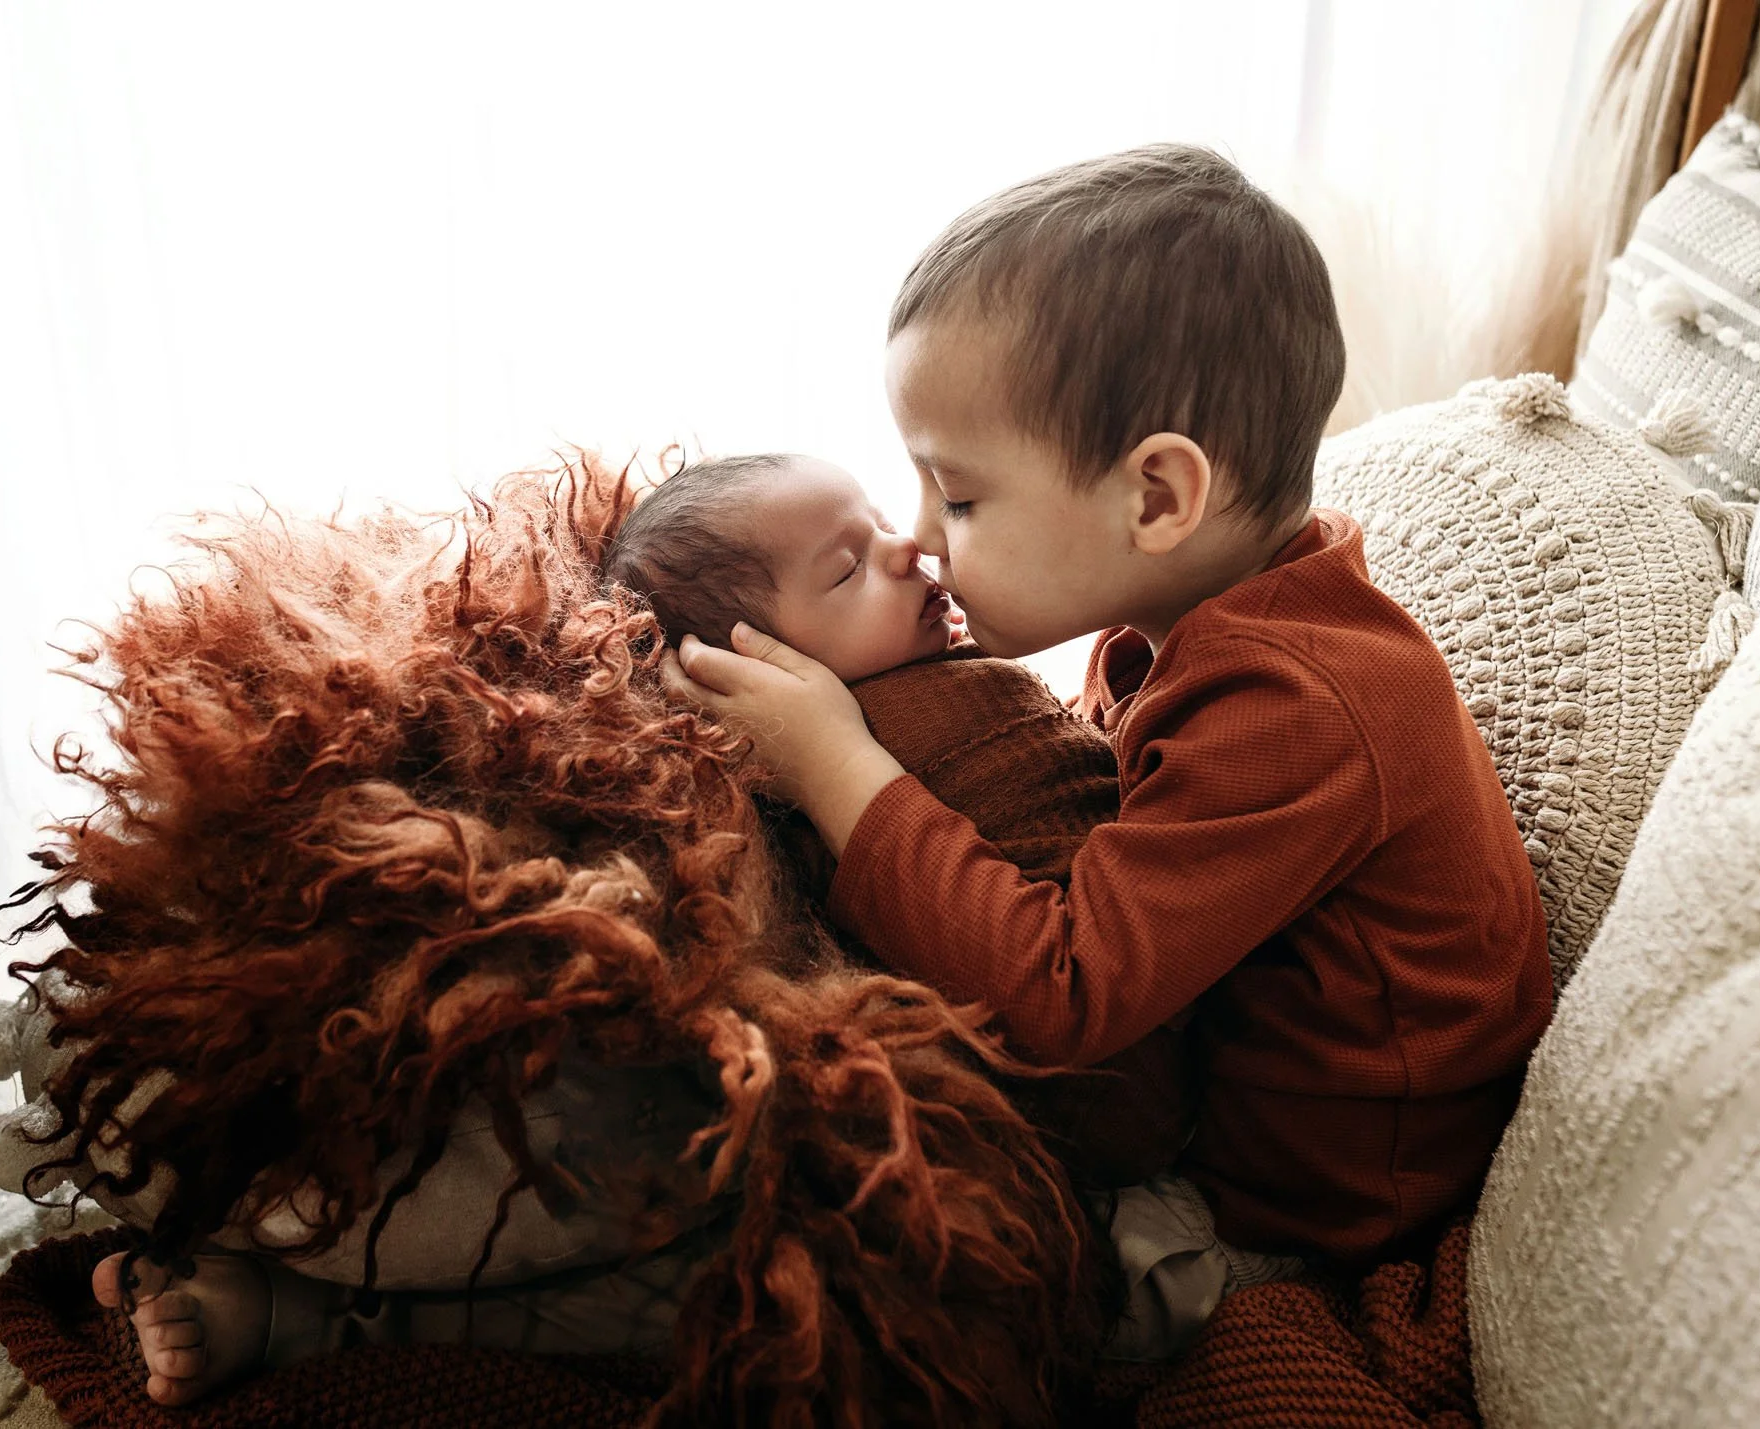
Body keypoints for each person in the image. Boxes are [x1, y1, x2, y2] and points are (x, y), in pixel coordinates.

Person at [664, 143, 1556, 1356]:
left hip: (1310, 1211)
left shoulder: (1298, 708)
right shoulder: (1198, 620)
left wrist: (832, 762)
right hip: (1214, 1109)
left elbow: (1064, 995)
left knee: (884, 1283)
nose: (921, 536)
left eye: (959, 496)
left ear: (1155, 500)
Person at [93, 450, 1189, 1403]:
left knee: (730, 1274)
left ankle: (289, 1301)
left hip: (1001, 1093)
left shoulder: (940, 697)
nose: (909, 549)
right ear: (744, 668)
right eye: (847, 567)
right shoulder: (803, 747)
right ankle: (288, 1293)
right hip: (927, 1095)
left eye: (874, 526)